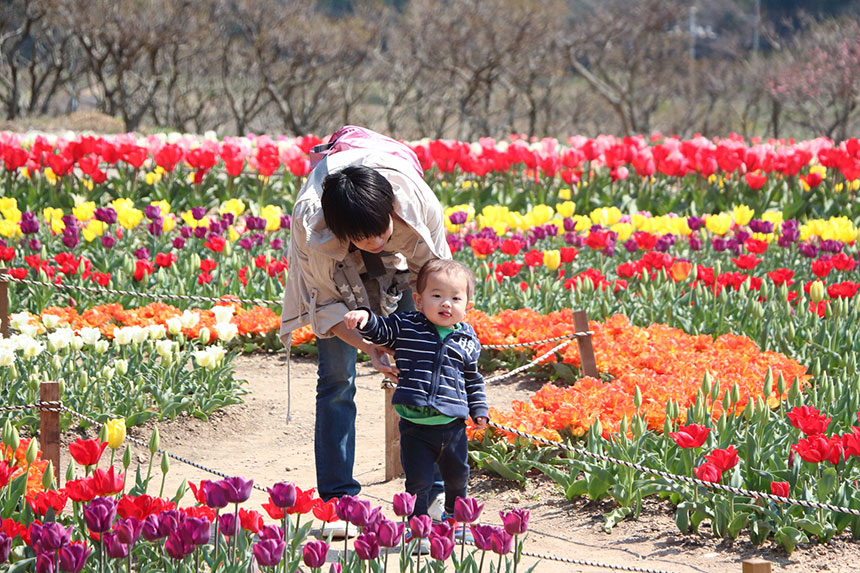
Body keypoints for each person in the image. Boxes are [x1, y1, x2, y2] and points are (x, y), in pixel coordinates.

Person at [279, 126, 451, 532]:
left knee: (423, 371)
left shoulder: (416, 204)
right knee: (337, 378)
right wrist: (369, 346)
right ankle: (339, 500)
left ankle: (431, 496)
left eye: (381, 232)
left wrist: (417, 342)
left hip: (409, 259)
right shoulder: (312, 226)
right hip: (337, 269)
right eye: (363, 237)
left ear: (391, 209)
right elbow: (326, 306)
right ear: (341, 232)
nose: (375, 241)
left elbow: (438, 286)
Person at [343, 259, 489, 530]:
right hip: (416, 427)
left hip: (453, 426)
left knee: (458, 478)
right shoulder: (408, 326)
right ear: (419, 301)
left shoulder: (467, 341)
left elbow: (473, 379)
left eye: (455, 298)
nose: (446, 303)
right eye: (437, 296)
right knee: (417, 482)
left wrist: (479, 409)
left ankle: (456, 521)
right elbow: (383, 330)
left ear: (467, 307)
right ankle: (418, 526)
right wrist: (365, 318)